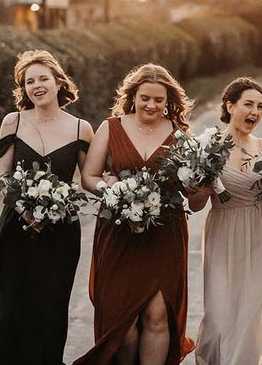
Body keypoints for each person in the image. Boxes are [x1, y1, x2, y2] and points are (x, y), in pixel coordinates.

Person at [75, 63, 195, 365]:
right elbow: (89, 176)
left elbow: (191, 190)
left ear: (168, 102)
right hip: (118, 233)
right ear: (133, 96)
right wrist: (112, 191)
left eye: (158, 100)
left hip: (163, 234)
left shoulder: (180, 135)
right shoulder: (111, 127)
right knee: (122, 321)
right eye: (145, 98)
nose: (151, 105)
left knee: (157, 315)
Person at [0, 49, 93, 365]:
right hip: (14, 232)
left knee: (49, 316)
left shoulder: (80, 129)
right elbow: (2, 178)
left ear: (59, 81)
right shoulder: (13, 122)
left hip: (59, 237)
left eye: (43, 78)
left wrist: (125, 195)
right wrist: (23, 209)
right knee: (7, 316)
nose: (37, 85)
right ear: (24, 89)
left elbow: (89, 179)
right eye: (29, 81)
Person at [190, 77, 262, 365]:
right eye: (248, 104)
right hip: (224, 232)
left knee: (252, 310)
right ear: (230, 106)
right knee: (220, 312)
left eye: (260, 106)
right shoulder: (209, 146)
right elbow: (195, 203)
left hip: (261, 230)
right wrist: (200, 181)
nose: (255, 112)